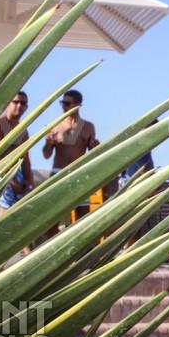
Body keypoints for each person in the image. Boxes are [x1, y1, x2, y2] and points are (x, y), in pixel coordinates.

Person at [42, 89, 99, 234]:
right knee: (52, 216)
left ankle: (83, 245)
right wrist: (48, 143)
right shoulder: (56, 126)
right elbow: (46, 155)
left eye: (67, 104)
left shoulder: (88, 127)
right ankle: (51, 245)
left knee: (82, 215)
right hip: (58, 173)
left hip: (78, 174)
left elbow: (93, 153)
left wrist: (95, 147)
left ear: (78, 105)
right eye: (62, 103)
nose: (64, 107)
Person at [0, 91, 34, 223]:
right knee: (5, 214)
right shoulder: (0, 123)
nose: (19, 106)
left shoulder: (22, 129)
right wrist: (10, 180)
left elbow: (25, 158)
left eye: (23, 103)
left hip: (16, 173)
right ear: (8, 103)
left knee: (24, 215)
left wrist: (29, 181)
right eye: (15, 102)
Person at [120, 119, 158, 189]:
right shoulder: (140, 144)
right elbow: (145, 170)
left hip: (133, 183)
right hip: (137, 186)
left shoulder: (138, 142)